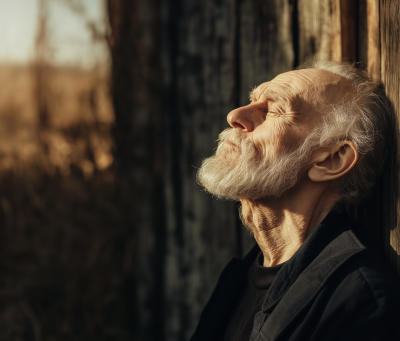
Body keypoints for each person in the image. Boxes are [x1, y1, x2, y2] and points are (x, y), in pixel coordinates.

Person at [192, 61, 400, 341]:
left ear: (332, 159)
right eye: (252, 101)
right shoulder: (237, 279)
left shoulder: (358, 300)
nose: (235, 115)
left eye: (274, 110)